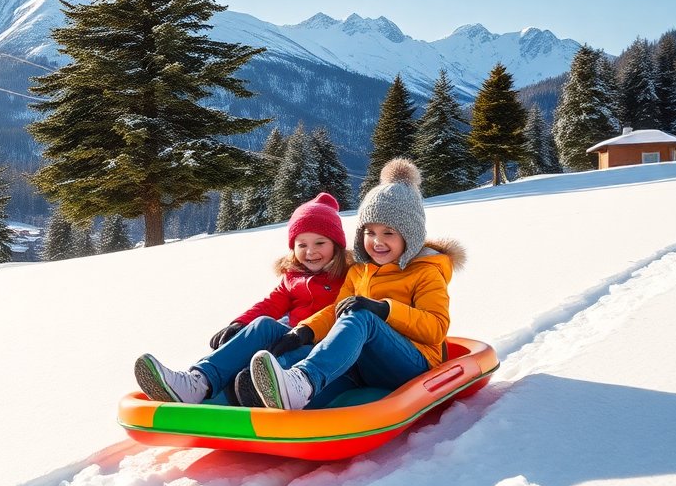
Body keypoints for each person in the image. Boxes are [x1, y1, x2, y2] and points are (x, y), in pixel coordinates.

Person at [250, 158, 464, 410]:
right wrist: (305, 331)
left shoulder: (426, 272)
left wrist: (385, 310)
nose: (377, 242)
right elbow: (337, 311)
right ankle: (259, 395)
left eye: (388, 233)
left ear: (410, 235)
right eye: (369, 232)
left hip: (415, 365)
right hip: (367, 365)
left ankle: (305, 381)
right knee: (295, 353)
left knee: (362, 316)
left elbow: (436, 329)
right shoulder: (358, 271)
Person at [133, 192, 350, 406]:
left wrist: (303, 331)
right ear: (292, 248)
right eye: (302, 245)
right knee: (262, 325)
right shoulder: (293, 277)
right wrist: (240, 324)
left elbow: (339, 312)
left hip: (325, 346)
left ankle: (267, 387)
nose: (310, 251)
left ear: (337, 245)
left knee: (294, 352)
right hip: (289, 335)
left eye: (320, 243)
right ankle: (199, 382)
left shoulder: (349, 276)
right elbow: (272, 303)